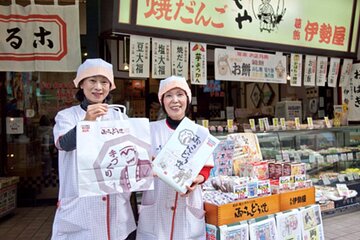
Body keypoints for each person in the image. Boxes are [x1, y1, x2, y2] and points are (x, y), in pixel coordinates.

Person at [51, 58, 136, 240]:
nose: (98, 87)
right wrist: (86, 123)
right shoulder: (66, 116)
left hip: (116, 208)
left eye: (104, 82)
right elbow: (64, 144)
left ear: (110, 86)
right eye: (92, 80)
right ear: (81, 84)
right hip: (81, 208)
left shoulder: (120, 117)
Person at [136, 76, 214, 240]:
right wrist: (148, 167)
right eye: (169, 95)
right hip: (157, 202)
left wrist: (196, 180)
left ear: (187, 98)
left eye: (180, 94)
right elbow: (137, 166)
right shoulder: (149, 131)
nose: (175, 100)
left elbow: (206, 169)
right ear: (162, 101)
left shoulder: (201, 132)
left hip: (187, 203)